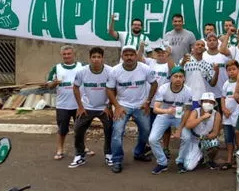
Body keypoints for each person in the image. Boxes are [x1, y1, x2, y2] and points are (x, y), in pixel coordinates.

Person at [106, 45, 158, 173]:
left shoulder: (145, 68)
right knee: (117, 132)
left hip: (141, 105)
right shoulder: (115, 71)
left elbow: (154, 84)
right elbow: (109, 89)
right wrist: (116, 106)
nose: (129, 57)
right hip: (123, 106)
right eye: (126, 55)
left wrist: (147, 101)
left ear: (136, 56)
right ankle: (117, 160)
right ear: (122, 56)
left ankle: (139, 152)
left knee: (146, 130)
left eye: (132, 55)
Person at [70, 46, 112, 168]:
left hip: (104, 108)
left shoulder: (110, 71)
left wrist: (108, 106)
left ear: (102, 58)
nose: (96, 59)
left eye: (99, 57)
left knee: (110, 129)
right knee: (78, 129)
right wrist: (80, 106)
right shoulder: (82, 71)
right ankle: (79, 155)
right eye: (93, 57)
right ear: (89, 58)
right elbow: (75, 87)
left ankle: (109, 154)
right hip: (87, 107)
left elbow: (114, 89)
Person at [148, 66, 192, 174]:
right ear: (170, 78)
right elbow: (155, 109)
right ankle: (162, 163)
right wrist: (167, 111)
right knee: (152, 139)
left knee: (187, 137)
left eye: (181, 77)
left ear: (184, 79)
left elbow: (187, 111)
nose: (178, 79)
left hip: (179, 117)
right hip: (164, 115)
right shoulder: (163, 88)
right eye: (175, 76)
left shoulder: (188, 90)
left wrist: (179, 129)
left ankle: (180, 161)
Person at [45, 44, 85, 161]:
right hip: (63, 105)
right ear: (61, 55)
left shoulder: (81, 67)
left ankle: (83, 148)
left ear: (74, 54)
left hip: (79, 105)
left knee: (81, 128)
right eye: (64, 54)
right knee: (62, 129)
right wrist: (55, 82)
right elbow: (48, 85)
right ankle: (60, 150)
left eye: (69, 54)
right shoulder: (56, 68)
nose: (67, 56)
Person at [178, 92, 222, 172]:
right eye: (205, 101)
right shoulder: (195, 112)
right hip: (194, 140)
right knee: (188, 167)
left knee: (215, 143)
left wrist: (205, 139)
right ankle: (200, 156)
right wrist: (202, 117)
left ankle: (209, 160)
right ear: (201, 103)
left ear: (214, 103)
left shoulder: (217, 114)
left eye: (210, 102)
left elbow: (215, 133)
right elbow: (188, 125)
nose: (208, 104)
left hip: (205, 139)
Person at [180, 39, 219, 109]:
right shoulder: (186, 59)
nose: (200, 46)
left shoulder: (207, 65)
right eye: (198, 44)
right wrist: (182, 63)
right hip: (187, 96)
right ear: (193, 47)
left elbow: (212, 84)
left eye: (202, 45)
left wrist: (217, 72)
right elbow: (178, 75)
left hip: (201, 98)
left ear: (205, 49)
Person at [220, 60, 239, 170]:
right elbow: (223, 98)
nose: (231, 72)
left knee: (238, 137)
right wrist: (224, 109)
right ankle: (229, 159)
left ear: (238, 70)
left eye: (234, 69)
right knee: (228, 138)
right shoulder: (226, 84)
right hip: (227, 116)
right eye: (229, 70)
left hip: (237, 114)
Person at [203, 32, 228, 108]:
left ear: (218, 42)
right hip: (208, 94)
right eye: (209, 40)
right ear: (206, 43)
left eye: (214, 40)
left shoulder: (224, 56)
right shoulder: (203, 56)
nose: (212, 42)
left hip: (223, 93)